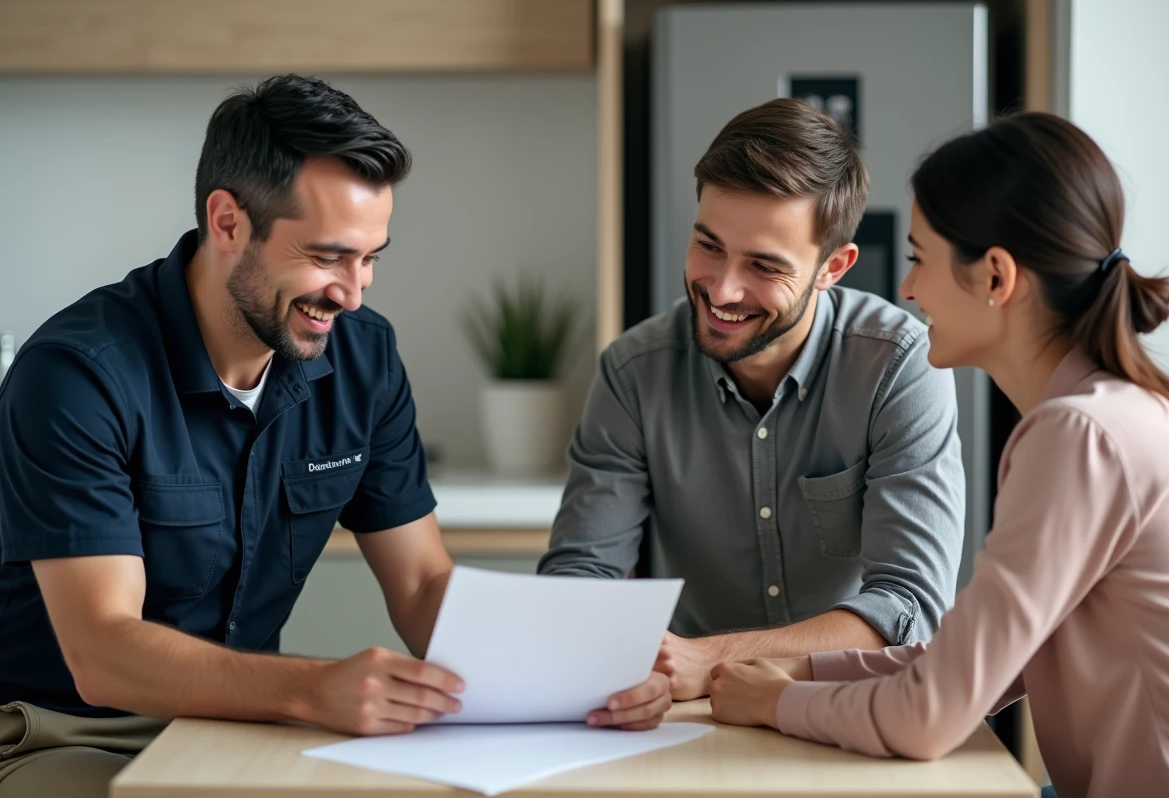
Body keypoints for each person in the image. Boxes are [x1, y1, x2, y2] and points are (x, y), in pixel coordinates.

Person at [0, 74, 669, 798]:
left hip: (245, 725)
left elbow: (422, 584)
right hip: (65, 731)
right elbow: (103, 652)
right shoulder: (77, 375)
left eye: (370, 257)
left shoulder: (363, 358)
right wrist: (314, 689)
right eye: (326, 257)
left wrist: (584, 686)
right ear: (227, 222)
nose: (352, 293)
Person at [708, 112, 1169, 798]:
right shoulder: (1122, 413)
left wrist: (777, 703)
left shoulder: (1081, 437)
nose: (907, 290)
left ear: (996, 276)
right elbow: (980, 666)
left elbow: (929, 716)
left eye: (919, 259)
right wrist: (803, 672)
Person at [538, 97, 966, 700]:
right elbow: (581, 576)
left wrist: (711, 658)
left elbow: (909, 608)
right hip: (689, 711)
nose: (722, 290)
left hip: (845, 705)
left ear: (832, 267)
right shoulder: (633, 372)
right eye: (709, 246)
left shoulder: (897, 365)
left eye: (764, 266)